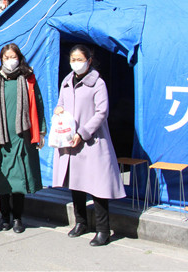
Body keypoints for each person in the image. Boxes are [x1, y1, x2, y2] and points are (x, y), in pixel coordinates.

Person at [53, 44, 125, 246]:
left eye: (80, 59)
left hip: (92, 141)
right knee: (76, 183)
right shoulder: (67, 81)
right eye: (73, 60)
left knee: (97, 186)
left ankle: (103, 230)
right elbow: (61, 103)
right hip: (70, 140)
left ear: (89, 60)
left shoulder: (98, 83)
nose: (76, 63)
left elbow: (102, 113)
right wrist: (59, 109)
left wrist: (83, 133)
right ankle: (81, 222)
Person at [0, 43, 45, 234]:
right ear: (1, 60)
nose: (10, 61)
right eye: (6, 58)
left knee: (19, 181)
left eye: (13, 57)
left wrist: (41, 132)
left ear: (19, 58)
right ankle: (4, 218)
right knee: (3, 181)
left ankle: (18, 218)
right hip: (0, 139)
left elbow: (38, 105)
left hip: (22, 137)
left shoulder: (29, 80)